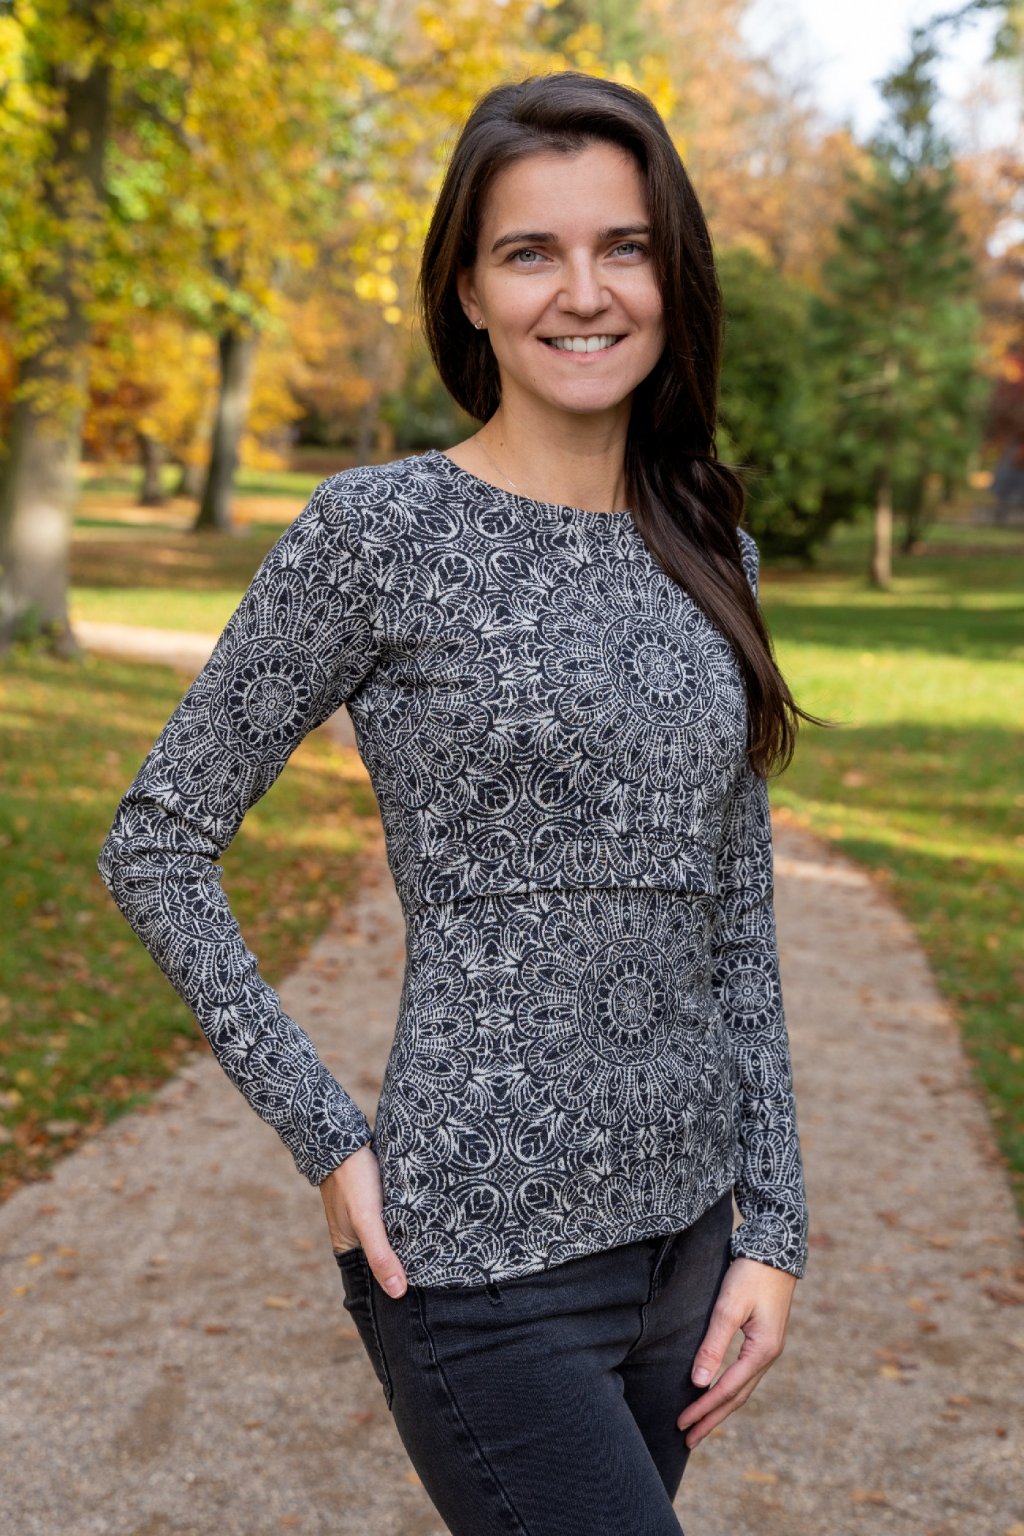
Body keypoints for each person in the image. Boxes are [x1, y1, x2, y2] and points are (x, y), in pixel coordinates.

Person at [98, 69, 816, 1536]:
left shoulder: (708, 543)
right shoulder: (379, 535)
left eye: (623, 246)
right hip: (484, 1267)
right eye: (530, 252)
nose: (584, 292)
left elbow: (735, 912)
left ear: (672, 276)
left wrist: (775, 1231)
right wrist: (325, 1136)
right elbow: (155, 844)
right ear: (470, 292)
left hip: (686, 1251)